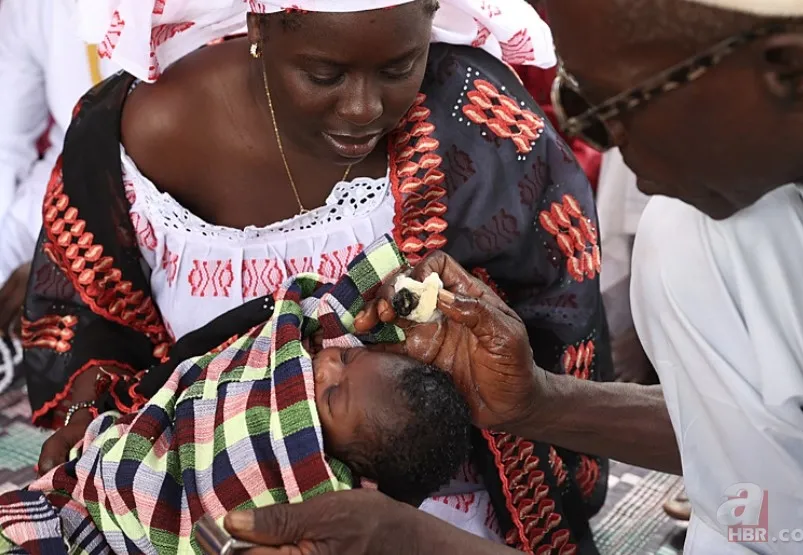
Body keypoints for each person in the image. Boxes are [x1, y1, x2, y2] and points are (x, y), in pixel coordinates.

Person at [213, 0, 803, 553]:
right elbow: (763, 476)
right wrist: (535, 401)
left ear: (795, 78)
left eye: (606, 106)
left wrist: (418, 542)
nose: (595, 144)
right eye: (572, 99)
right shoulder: (712, 237)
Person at [25, 0, 614, 552]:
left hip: (443, 525)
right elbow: (84, 314)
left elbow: (558, 331)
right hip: (199, 508)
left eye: (399, 67)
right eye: (324, 75)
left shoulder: (479, 124)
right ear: (259, 27)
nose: (363, 108)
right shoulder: (138, 135)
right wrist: (89, 416)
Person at [0, 236, 473, 553]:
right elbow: (343, 306)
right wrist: (405, 293)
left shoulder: (315, 491)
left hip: (132, 527)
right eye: (348, 359)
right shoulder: (307, 345)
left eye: (332, 396)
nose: (327, 365)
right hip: (102, 467)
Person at [0, 0, 116, 391]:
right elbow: (6, 146)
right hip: (58, 191)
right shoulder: (32, 7)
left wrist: (62, 257)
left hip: (170, 210)